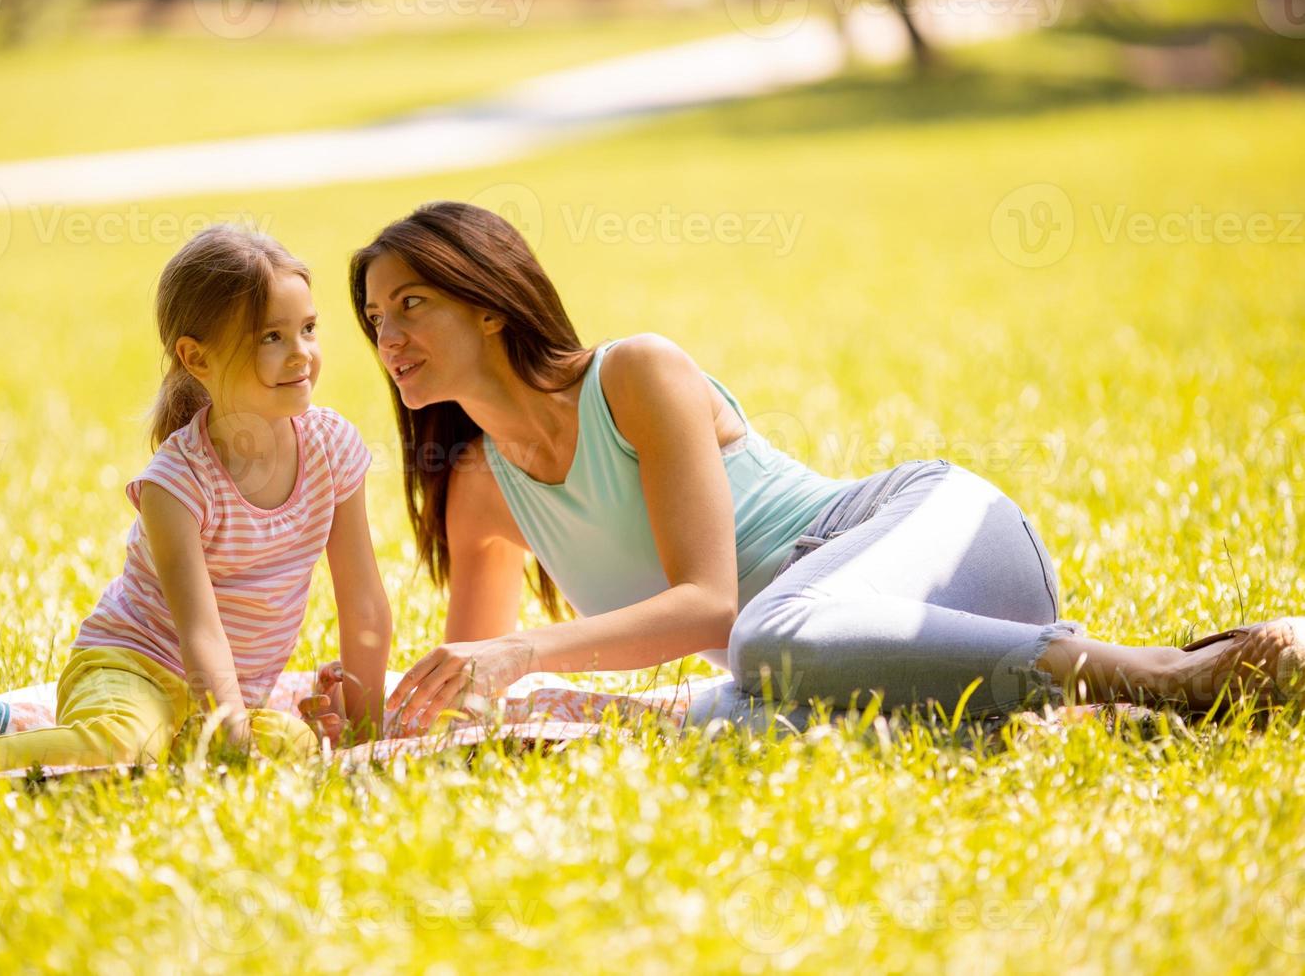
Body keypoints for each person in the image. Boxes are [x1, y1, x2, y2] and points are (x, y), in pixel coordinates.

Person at [350, 202, 1302, 734]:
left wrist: (524, 652)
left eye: (410, 303)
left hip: (940, 541)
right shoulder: (476, 490)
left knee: (767, 644)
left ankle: (1166, 674)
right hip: (827, 656)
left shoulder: (633, 374)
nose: (387, 337)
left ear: (487, 302)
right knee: (740, 728)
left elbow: (710, 608)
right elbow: (472, 697)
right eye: (375, 320)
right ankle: (1114, 716)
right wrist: (366, 708)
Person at [0, 225, 391, 785]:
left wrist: (366, 739)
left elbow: (362, 599)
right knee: (123, 745)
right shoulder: (178, 481)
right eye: (271, 337)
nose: (301, 355)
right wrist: (232, 733)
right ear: (197, 358)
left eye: (308, 329)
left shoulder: (332, 448)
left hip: (223, 696)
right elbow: (201, 632)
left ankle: (156, 742)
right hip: (131, 669)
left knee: (295, 746)